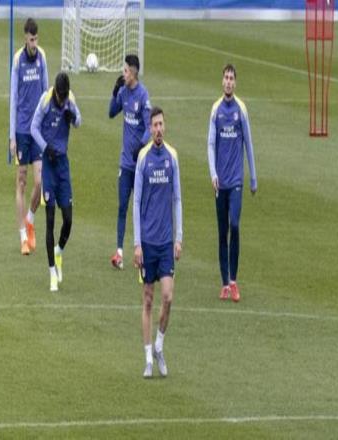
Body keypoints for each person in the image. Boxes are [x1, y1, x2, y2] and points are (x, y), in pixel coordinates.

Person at [133, 107, 182, 379]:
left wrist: (179, 237)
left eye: (161, 124)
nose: (159, 129)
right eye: (155, 125)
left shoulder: (172, 157)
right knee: (148, 300)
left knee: (168, 297)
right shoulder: (143, 158)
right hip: (147, 243)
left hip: (165, 243)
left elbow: (177, 199)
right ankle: (148, 357)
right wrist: (136, 243)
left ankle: (160, 345)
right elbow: (136, 202)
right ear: (150, 129)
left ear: (165, 126)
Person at [207, 64, 257, 302]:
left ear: (235, 83)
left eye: (231, 78)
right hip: (221, 183)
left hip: (236, 180)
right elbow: (210, 144)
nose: (228, 82)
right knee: (222, 232)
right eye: (225, 78)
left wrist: (253, 177)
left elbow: (248, 143)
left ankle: (234, 281)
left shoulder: (241, 109)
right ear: (222, 81)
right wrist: (213, 174)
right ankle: (225, 284)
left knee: (234, 225)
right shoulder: (216, 110)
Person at [31, 73, 81, 292]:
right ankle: (52, 271)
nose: (62, 101)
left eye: (64, 98)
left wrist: (72, 116)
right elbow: (33, 128)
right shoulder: (45, 100)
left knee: (68, 219)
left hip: (63, 165)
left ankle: (59, 250)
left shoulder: (70, 100)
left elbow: (79, 122)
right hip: (48, 166)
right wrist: (45, 147)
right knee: (50, 219)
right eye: (60, 98)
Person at [9, 17, 49, 255]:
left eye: (36, 39)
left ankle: (30, 219)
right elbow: (13, 98)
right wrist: (12, 136)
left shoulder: (42, 57)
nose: (34, 44)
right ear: (25, 38)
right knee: (22, 181)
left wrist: (48, 128)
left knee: (39, 181)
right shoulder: (18, 60)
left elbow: (47, 94)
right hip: (22, 130)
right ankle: (23, 236)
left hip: (38, 130)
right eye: (31, 40)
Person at [109, 54, 152, 270]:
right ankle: (119, 252)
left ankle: (142, 252)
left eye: (125, 70)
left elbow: (149, 127)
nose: (123, 73)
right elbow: (111, 113)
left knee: (142, 209)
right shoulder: (124, 92)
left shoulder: (142, 95)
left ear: (133, 72)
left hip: (140, 164)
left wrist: (141, 146)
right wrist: (114, 91)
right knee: (122, 206)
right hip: (125, 164)